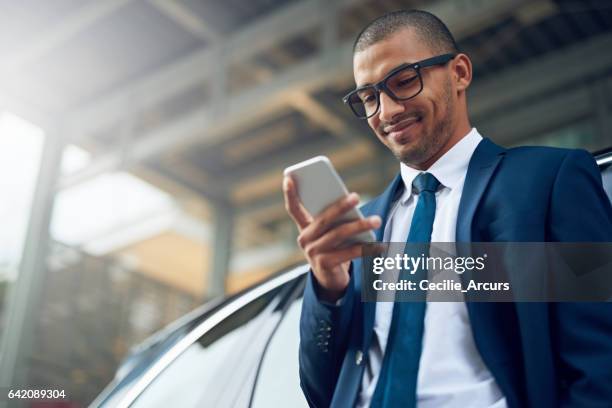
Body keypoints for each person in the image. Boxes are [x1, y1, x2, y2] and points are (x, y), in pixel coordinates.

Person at [283, 10, 612, 408]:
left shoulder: (549, 180)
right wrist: (328, 288)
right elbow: (323, 392)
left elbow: (598, 359)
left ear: (459, 72)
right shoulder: (359, 230)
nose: (386, 112)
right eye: (369, 97)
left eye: (404, 82)